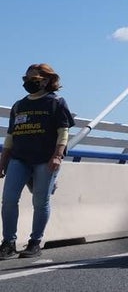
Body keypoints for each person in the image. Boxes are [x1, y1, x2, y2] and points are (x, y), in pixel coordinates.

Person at [0, 64, 75, 260]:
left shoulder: (56, 102)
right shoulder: (19, 105)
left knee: (40, 201)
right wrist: (3, 159)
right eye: (26, 79)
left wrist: (58, 155)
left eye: (34, 79)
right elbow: (10, 136)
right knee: (8, 200)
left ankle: (35, 242)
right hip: (19, 158)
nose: (28, 83)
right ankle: (8, 242)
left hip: (45, 159)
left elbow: (63, 132)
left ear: (46, 80)